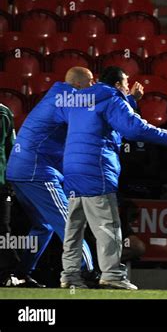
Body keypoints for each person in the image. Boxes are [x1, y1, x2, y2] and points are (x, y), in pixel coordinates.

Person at [60, 66, 167, 290]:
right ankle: (112, 274)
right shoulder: (112, 99)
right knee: (108, 225)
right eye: (126, 83)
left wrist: (129, 100)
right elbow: (133, 128)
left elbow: (106, 116)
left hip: (72, 168)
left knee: (74, 227)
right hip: (95, 169)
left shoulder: (80, 99)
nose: (128, 87)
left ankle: (70, 274)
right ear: (118, 85)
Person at [4, 67, 95, 288]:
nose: (93, 86)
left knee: (43, 225)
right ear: (78, 84)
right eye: (91, 81)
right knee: (69, 222)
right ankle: (87, 272)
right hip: (37, 172)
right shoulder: (68, 97)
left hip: (20, 171)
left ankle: (20, 273)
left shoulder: (57, 96)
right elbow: (90, 117)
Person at [0, 103, 18, 285]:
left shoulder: (4, 112)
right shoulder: (4, 112)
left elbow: (12, 148)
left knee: (3, 228)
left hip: (2, 183)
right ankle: (6, 274)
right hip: (2, 183)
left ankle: (6, 274)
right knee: (2, 229)